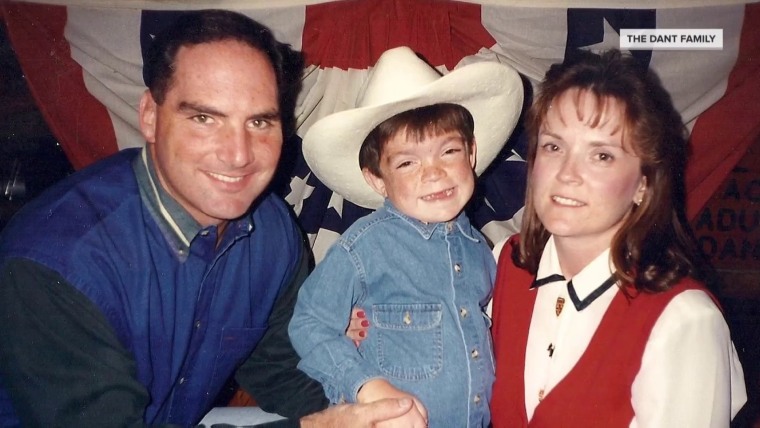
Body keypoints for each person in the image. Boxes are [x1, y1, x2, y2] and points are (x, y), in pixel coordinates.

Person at [0, 10, 416, 427]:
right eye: (204, 118)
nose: (238, 154)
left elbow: (282, 370)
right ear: (149, 115)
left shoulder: (271, 230)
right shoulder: (55, 264)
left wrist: (378, 407)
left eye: (259, 122)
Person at [488, 49, 747, 426]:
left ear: (643, 184)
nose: (567, 174)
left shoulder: (684, 322)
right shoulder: (504, 266)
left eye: (602, 156)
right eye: (554, 146)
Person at [288, 46, 523, 428]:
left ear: (472, 154)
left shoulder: (480, 250)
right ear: (377, 179)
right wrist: (367, 386)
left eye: (449, 151)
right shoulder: (363, 247)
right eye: (408, 162)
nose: (434, 173)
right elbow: (309, 324)